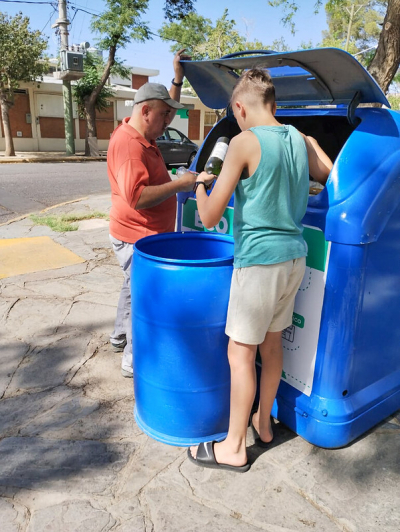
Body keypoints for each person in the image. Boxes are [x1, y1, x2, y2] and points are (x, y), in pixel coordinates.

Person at [188, 68, 332, 472]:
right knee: (271, 348)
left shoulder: (242, 142)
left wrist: (200, 185)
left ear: (239, 107)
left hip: (260, 262)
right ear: (273, 103)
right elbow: (332, 175)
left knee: (240, 352)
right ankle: (264, 424)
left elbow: (211, 211)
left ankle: (233, 448)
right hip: (294, 259)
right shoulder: (301, 140)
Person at [107, 49, 197, 378]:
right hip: (137, 236)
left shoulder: (143, 131)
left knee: (131, 286)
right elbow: (137, 197)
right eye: (163, 118)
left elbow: (165, 106)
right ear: (146, 112)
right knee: (143, 296)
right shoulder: (131, 147)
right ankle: (133, 360)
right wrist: (180, 184)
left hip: (135, 234)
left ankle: (117, 335)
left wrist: (178, 77)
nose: (167, 124)